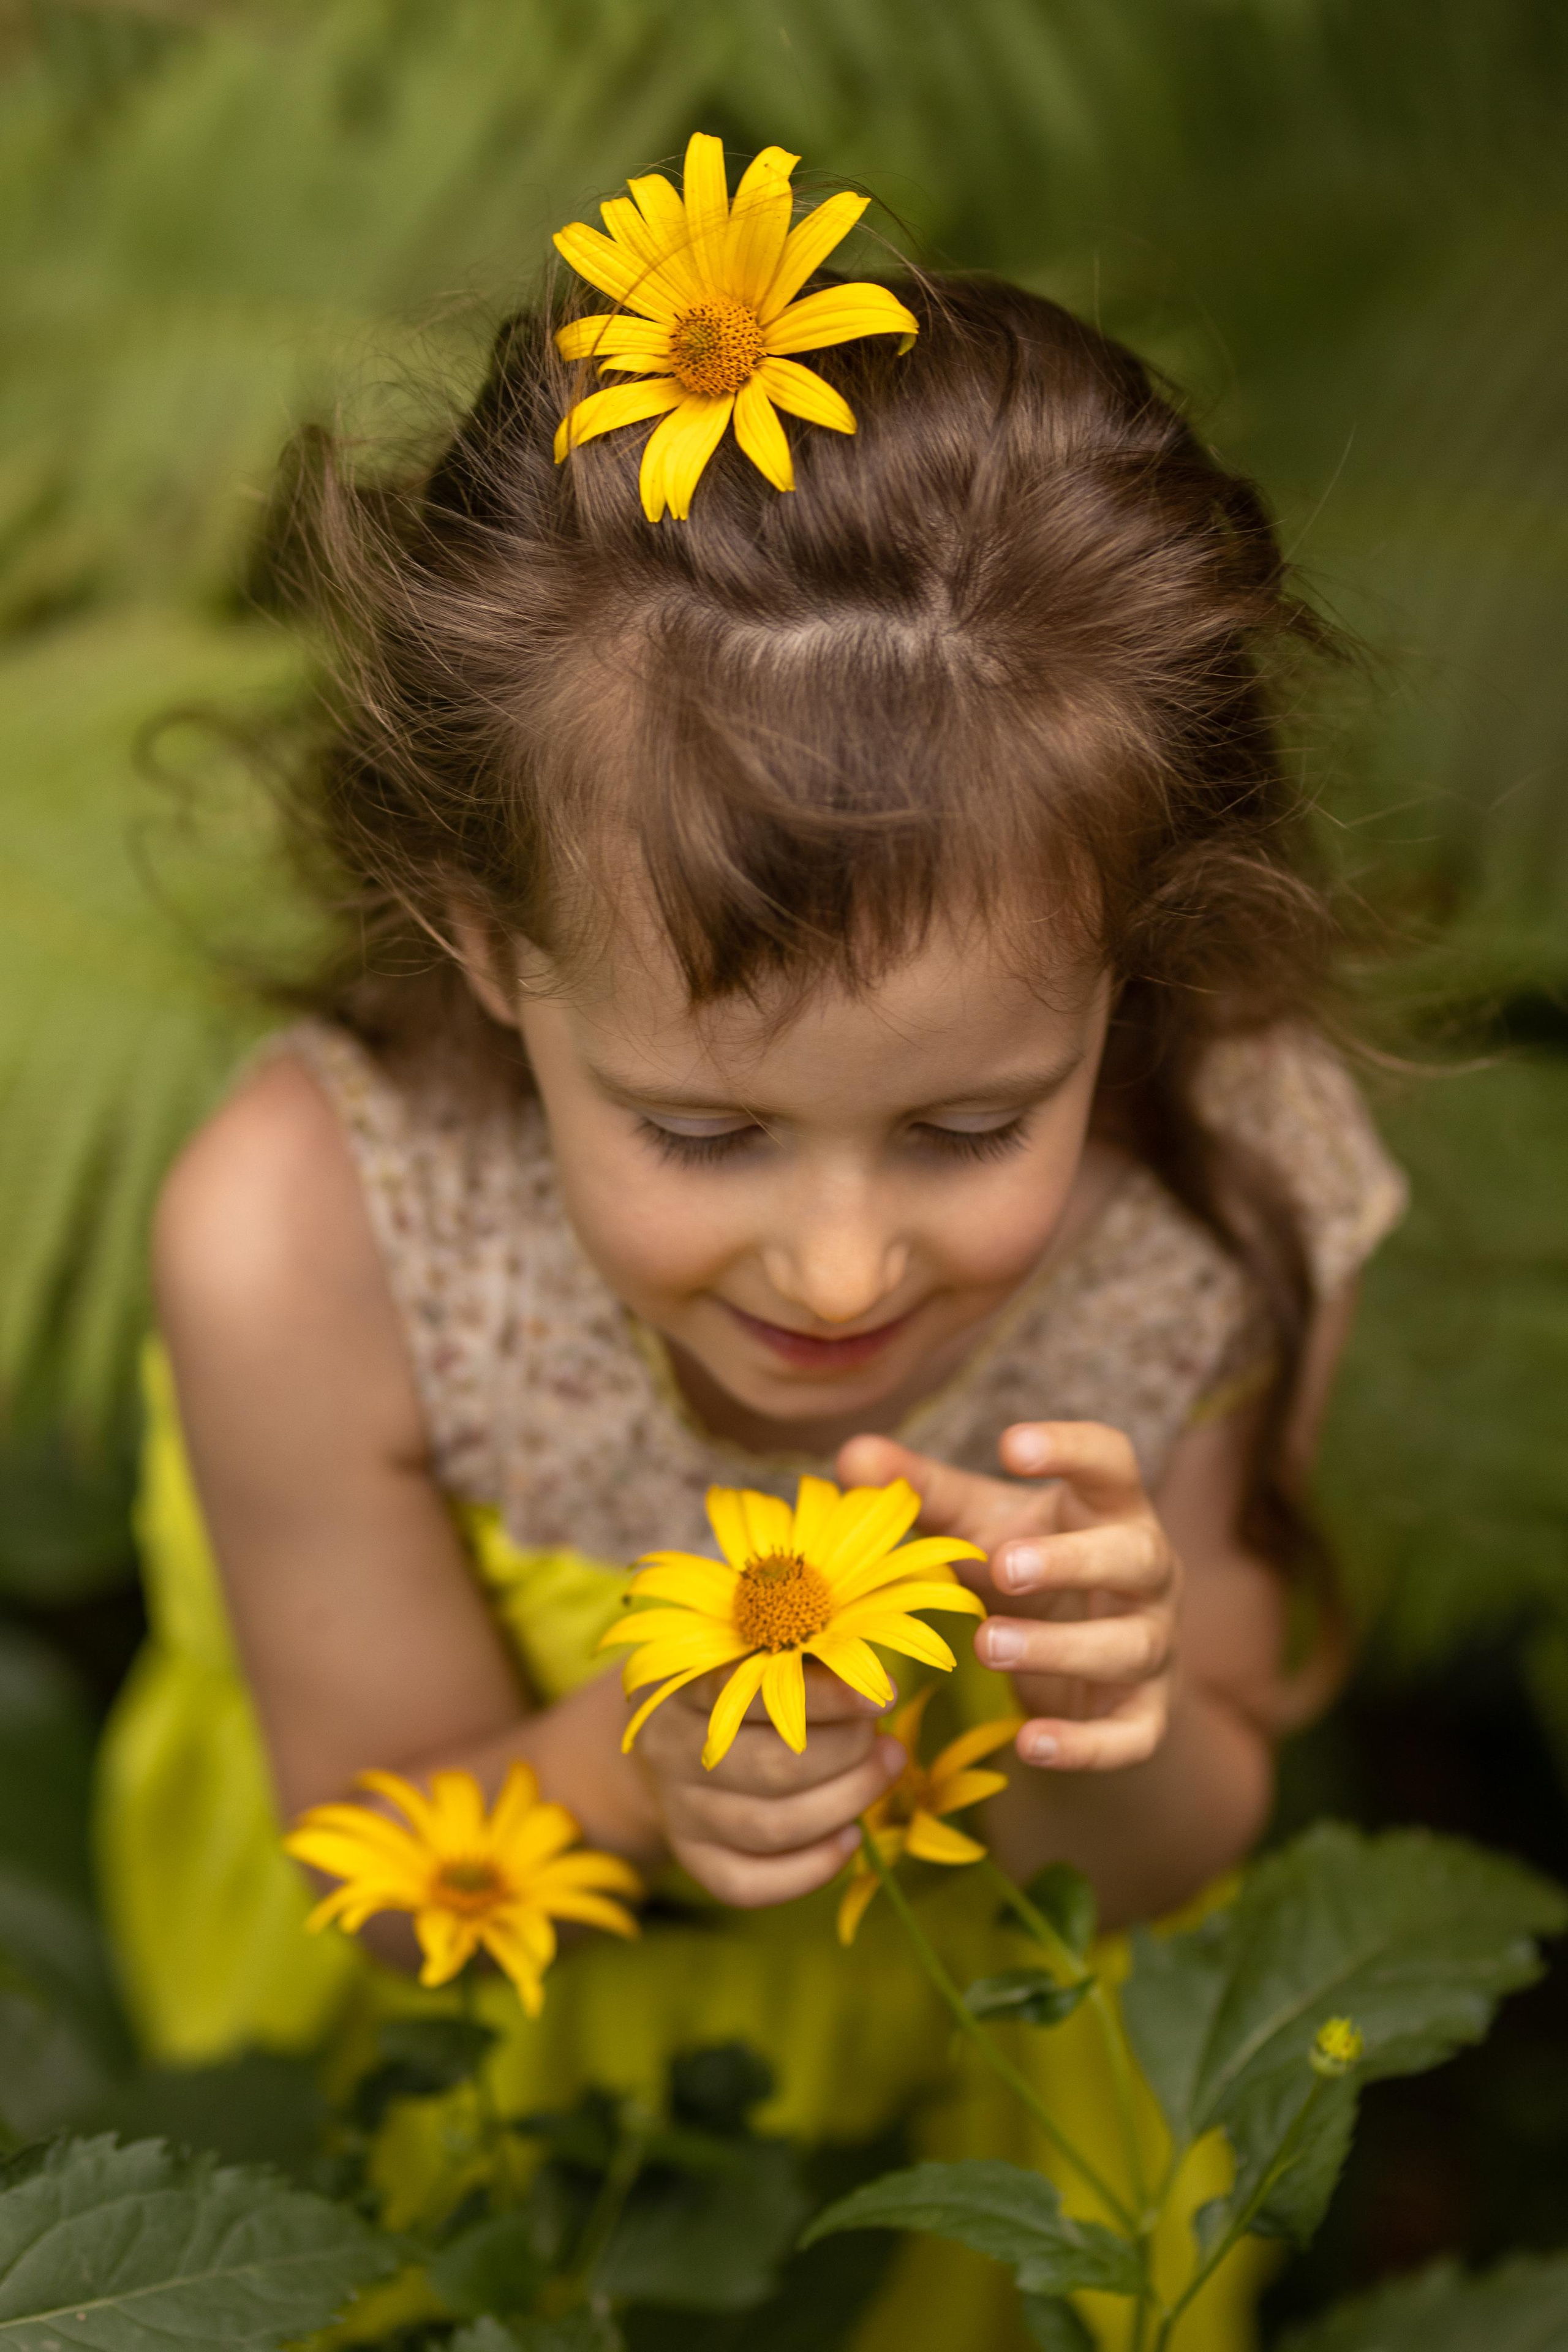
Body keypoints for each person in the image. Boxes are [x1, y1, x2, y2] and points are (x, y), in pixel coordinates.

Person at [97, 138, 1406, 2351]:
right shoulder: (308, 1239)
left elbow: (1182, 1870)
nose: (836, 1272)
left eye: (971, 1125)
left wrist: (1116, 1715)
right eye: (701, 1130)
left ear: (1130, 965)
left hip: (986, 2043)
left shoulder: (1224, 1204)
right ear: (496, 950)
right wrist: (633, 1771)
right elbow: (396, 1902)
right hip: (490, 2044)